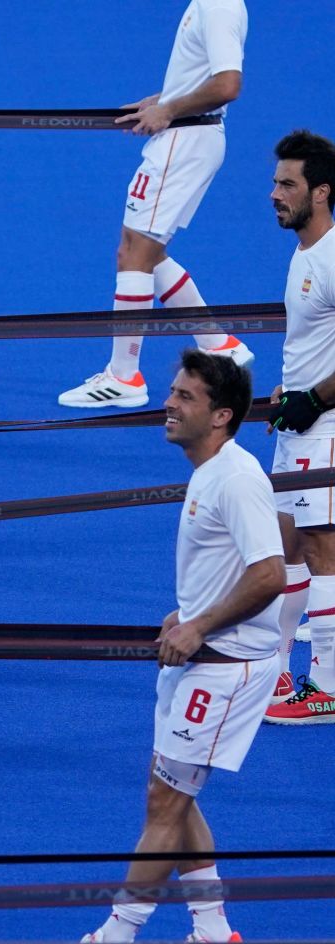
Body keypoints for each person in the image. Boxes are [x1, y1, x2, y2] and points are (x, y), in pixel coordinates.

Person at [30, 351, 284, 944]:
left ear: (222, 416)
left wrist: (201, 625)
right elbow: (233, 570)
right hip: (200, 656)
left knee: (164, 801)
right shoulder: (209, 471)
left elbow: (270, 575)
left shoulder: (236, 479)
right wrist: (189, 612)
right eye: (172, 392)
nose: (169, 404)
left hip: (223, 669)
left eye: (186, 397)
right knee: (175, 795)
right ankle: (215, 936)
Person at [58, 0, 251, 410]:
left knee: (134, 253)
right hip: (191, 137)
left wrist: (170, 110)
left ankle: (123, 377)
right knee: (147, 251)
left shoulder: (217, 6)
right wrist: (162, 99)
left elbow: (227, 84)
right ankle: (220, 344)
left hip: (185, 141)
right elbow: (203, 76)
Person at [262, 130, 335, 724]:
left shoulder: (334, 257)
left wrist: (313, 398)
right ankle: (279, 673)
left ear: (322, 191)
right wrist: (292, 391)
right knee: (285, 545)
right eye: (276, 182)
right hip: (301, 421)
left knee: (320, 547)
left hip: (327, 426)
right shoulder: (305, 253)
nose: (274, 193)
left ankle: (328, 687)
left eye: (287, 184)